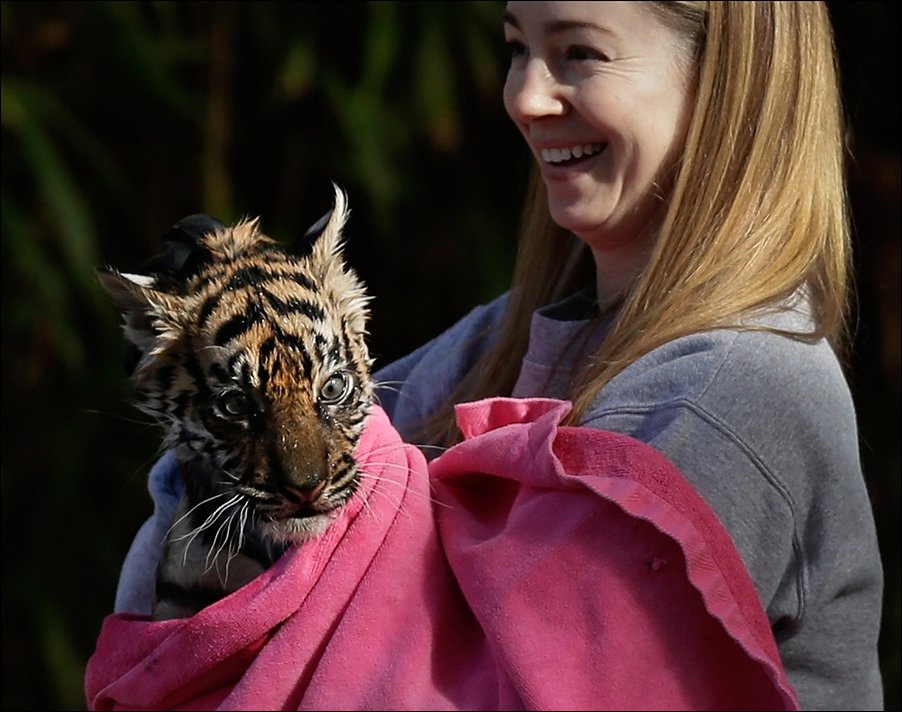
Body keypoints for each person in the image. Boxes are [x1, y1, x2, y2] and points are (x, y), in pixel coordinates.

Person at [113, 2, 884, 709]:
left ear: (724, 81)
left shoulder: (734, 392)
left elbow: (507, 689)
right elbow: (206, 522)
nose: (524, 97)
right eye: (518, 48)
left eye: (579, 53)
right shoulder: (516, 336)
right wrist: (218, 339)